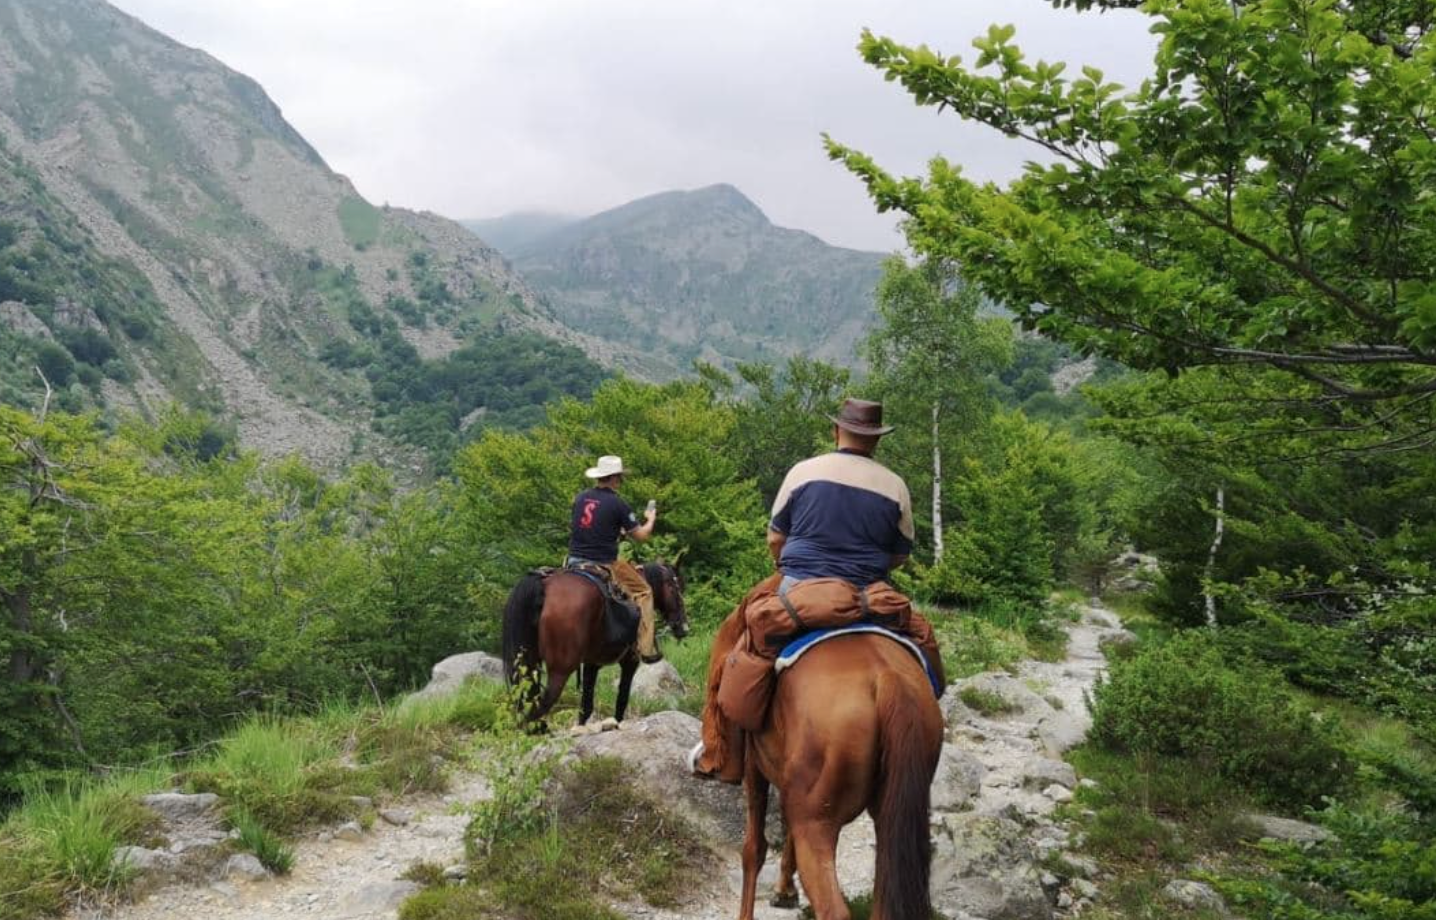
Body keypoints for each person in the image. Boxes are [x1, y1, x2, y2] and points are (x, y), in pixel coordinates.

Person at [691, 398, 938, 783]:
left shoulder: (804, 472)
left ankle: (723, 753)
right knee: (923, 642)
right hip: (870, 594)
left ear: (836, 431)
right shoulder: (896, 486)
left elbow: (776, 538)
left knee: (738, 639)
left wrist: (785, 565)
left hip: (802, 585)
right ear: (876, 440)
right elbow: (899, 555)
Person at [567, 454, 663, 663]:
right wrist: (650, 519)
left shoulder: (580, 498)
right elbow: (641, 536)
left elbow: (584, 527)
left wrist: (613, 531)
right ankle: (646, 648)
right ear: (613, 478)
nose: (620, 481)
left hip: (573, 560)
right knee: (644, 592)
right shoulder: (618, 504)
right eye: (619, 477)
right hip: (603, 562)